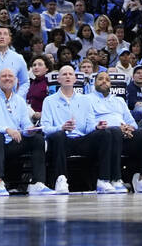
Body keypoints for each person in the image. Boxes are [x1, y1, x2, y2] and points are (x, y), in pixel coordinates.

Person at [41, 64, 117, 194]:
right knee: (59, 135)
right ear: (58, 79)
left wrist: (96, 126)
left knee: (105, 133)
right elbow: (46, 128)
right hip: (61, 141)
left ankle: (103, 180)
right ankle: (61, 179)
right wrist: (61, 127)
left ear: (75, 79)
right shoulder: (49, 101)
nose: (68, 77)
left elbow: (88, 126)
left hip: (81, 139)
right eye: (64, 74)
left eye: (70, 74)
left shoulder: (85, 100)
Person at [0, 67, 52, 196]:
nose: (7, 78)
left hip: (12, 142)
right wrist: (7, 130)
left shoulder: (20, 101)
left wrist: (30, 130)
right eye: (4, 76)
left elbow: (25, 123)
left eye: (10, 76)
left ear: (16, 81)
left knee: (37, 139)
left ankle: (37, 183)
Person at [88, 69, 142, 193]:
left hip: (125, 135)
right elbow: (89, 124)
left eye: (107, 80)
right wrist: (117, 127)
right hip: (105, 136)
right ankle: (116, 179)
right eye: (100, 79)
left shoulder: (119, 100)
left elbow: (131, 121)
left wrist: (129, 128)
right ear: (94, 83)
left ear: (111, 84)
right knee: (115, 132)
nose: (104, 82)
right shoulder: (87, 99)